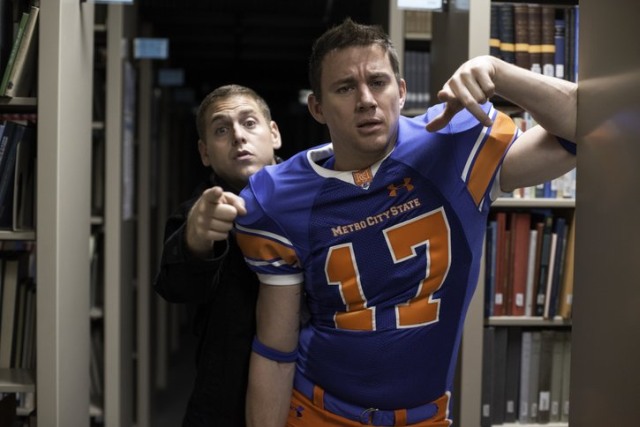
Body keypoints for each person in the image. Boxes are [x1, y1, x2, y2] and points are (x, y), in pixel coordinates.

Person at [235, 18, 577, 427]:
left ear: (401, 91)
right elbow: (276, 351)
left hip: (424, 417)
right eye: (345, 88)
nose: (366, 100)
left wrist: (498, 72)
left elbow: (582, 129)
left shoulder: (449, 146)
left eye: (377, 82)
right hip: (317, 411)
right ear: (317, 108)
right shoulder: (278, 198)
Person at [153, 84, 282, 427]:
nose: (238, 136)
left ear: (274, 134)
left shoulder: (316, 196)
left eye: (249, 123)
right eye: (222, 130)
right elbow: (176, 286)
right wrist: (197, 238)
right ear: (205, 152)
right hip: (226, 398)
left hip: (315, 390)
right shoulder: (197, 212)